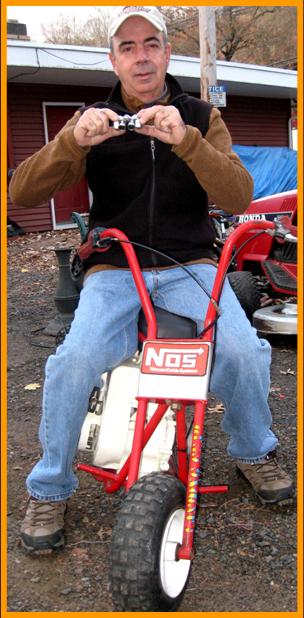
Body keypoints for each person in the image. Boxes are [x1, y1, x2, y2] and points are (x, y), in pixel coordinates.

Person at [9, 6, 293, 554]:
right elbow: (22, 192)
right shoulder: (89, 120)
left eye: (151, 44)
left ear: (166, 52)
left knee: (243, 349)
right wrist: (74, 142)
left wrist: (187, 140)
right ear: (113, 59)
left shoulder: (201, 115)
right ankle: (50, 486)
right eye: (128, 47)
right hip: (116, 265)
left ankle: (254, 451)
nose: (141, 56)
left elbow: (237, 194)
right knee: (73, 359)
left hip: (191, 263)